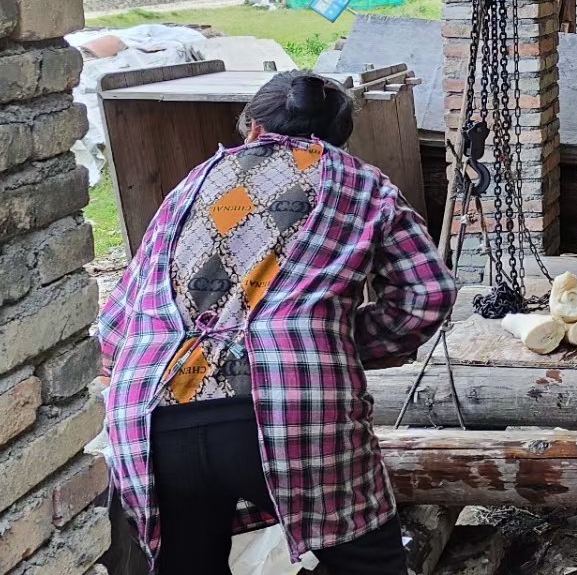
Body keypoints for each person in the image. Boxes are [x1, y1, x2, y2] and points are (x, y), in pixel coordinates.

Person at [97, 70, 457, 574]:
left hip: (153, 417)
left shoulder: (192, 185)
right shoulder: (361, 183)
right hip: (293, 410)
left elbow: (116, 322)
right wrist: (340, 346)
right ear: (337, 136)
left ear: (251, 127)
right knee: (367, 564)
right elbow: (427, 295)